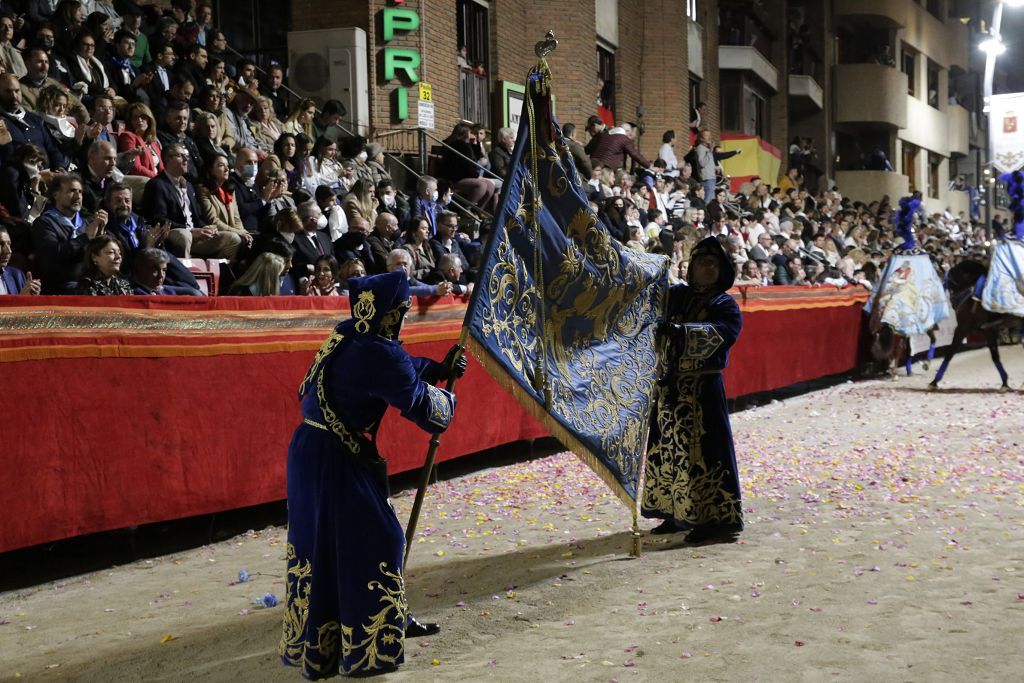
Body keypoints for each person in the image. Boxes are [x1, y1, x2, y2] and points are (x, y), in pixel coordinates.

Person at [279, 270, 463, 678]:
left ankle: (336, 640)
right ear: (390, 314)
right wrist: (447, 394)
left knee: (324, 547)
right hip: (337, 458)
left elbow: (397, 362)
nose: (403, 319)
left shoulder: (346, 333)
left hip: (309, 450)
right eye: (402, 312)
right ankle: (369, 643)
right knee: (380, 539)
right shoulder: (381, 353)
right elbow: (425, 409)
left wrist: (435, 367)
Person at [642, 236, 744, 542]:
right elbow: (648, 293)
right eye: (702, 262)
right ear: (692, 267)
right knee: (669, 450)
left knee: (706, 454)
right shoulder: (678, 296)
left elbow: (725, 332)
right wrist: (656, 261)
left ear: (724, 269)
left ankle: (718, 521)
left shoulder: (724, 304)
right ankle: (675, 512)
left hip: (703, 390)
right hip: (672, 387)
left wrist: (680, 332)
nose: (707, 268)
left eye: (714, 263)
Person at [0, 225, 42, 295]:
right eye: (1, 244)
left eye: (9, 244)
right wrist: (20, 299)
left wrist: (31, 298)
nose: (9, 251)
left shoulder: (17, 275)